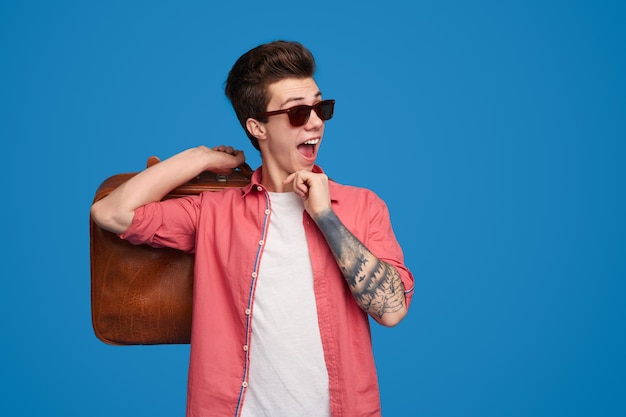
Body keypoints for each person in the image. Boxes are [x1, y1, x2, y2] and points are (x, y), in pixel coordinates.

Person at [91, 40, 415, 417]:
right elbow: (111, 213)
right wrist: (201, 158)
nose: (314, 122)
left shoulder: (362, 206)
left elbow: (392, 311)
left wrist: (326, 216)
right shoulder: (214, 213)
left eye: (320, 108)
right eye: (297, 113)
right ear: (256, 126)